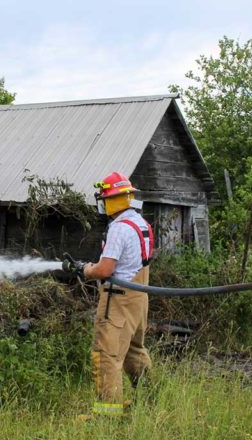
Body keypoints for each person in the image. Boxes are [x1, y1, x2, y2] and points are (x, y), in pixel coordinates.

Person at [77, 171, 154, 419]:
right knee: (134, 350)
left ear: (110, 200)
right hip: (139, 296)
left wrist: (88, 269)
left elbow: (106, 269)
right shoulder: (141, 224)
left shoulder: (119, 228)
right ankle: (150, 401)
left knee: (106, 355)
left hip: (118, 298)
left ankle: (107, 415)